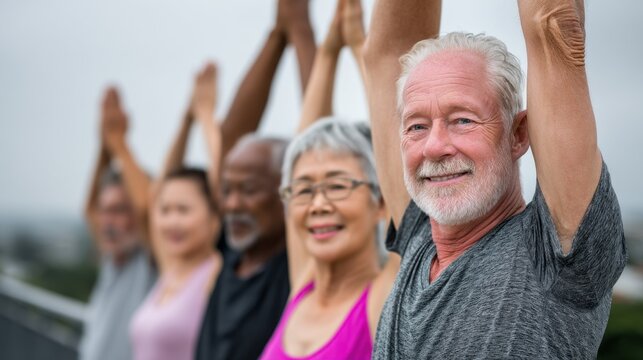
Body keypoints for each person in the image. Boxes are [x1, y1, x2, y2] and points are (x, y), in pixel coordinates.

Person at [362, 0, 627, 358]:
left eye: (463, 120)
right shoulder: (418, 240)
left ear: (518, 135)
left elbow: (553, 26)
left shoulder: (555, 257)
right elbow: (387, 52)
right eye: (417, 126)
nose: (434, 146)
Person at [259, 1, 399, 359]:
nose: (318, 204)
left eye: (338, 186)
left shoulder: (384, 299)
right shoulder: (304, 284)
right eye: (304, 190)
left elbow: (397, 151)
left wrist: (359, 45)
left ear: (381, 202)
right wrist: (327, 51)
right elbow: (303, 143)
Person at [194, 1, 316, 359]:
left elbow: (320, 139)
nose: (231, 204)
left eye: (249, 190)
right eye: (227, 190)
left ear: (289, 191)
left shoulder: (296, 265)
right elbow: (231, 136)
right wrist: (276, 36)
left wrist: (302, 32)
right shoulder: (231, 249)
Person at [129, 63, 224, 360]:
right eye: (166, 211)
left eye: (183, 210)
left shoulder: (215, 271)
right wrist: (186, 120)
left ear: (214, 216)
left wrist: (206, 117)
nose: (171, 221)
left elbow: (225, 185)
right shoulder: (171, 266)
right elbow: (158, 191)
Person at [79, 88, 156, 360]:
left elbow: (150, 210)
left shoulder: (149, 261)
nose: (107, 221)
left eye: (120, 210)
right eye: (105, 211)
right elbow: (89, 208)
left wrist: (120, 145)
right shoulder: (115, 256)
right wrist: (104, 145)